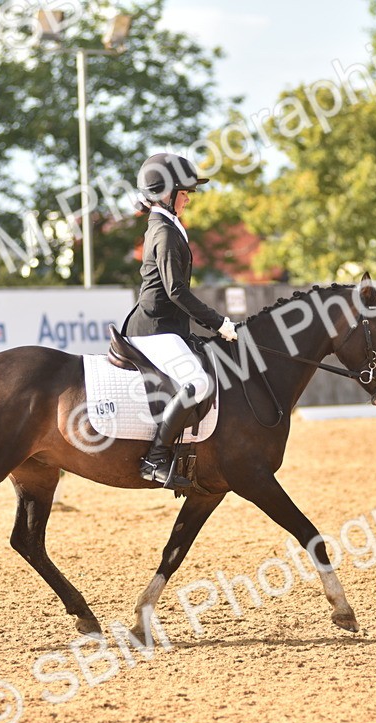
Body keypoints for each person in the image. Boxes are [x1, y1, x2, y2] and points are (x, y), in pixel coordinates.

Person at [121, 153, 238, 490]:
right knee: (198, 383)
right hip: (155, 327)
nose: (188, 197)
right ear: (166, 194)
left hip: (168, 327)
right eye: (184, 192)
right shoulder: (164, 231)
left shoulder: (168, 227)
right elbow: (176, 291)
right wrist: (218, 323)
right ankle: (156, 458)